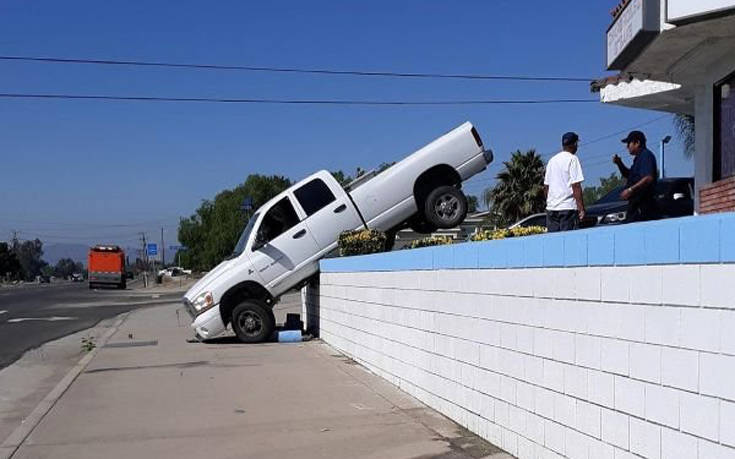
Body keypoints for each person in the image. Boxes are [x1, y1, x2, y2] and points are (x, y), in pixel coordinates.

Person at [613, 130, 658, 222]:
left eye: (629, 143)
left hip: (644, 205)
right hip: (635, 205)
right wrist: (619, 163)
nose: (627, 147)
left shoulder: (646, 156)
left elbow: (648, 178)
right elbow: (629, 175)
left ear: (637, 143)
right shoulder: (638, 159)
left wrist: (630, 190)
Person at [544, 132, 585, 232]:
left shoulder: (552, 161)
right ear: (574, 144)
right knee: (569, 242)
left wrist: (550, 202)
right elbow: (576, 185)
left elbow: (546, 187)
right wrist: (581, 208)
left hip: (552, 209)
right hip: (568, 208)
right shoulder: (573, 159)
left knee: (554, 243)